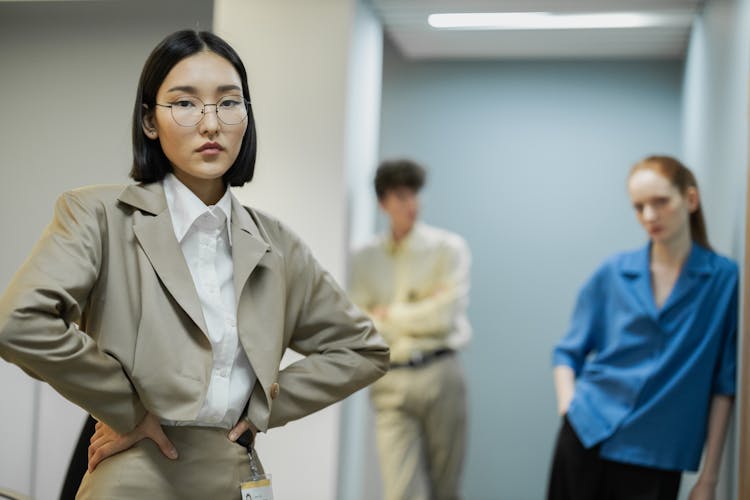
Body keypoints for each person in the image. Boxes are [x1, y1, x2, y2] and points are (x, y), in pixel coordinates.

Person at [0, 29, 389, 499]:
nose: (211, 124)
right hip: (137, 470)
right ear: (149, 121)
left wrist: (263, 406)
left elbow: (363, 350)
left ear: (246, 116)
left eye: (229, 103)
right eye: (184, 103)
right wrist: (124, 406)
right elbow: (19, 323)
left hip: (236, 472)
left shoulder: (277, 244)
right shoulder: (97, 216)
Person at [548, 155, 737, 500]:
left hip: (657, 452)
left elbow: (725, 383)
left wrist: (708, 478)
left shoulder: (725, 281)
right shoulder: (614, 272)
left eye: (660, 202)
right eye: (639, 207)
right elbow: (566, 353)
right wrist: (569, 409)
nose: (649, 216)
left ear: (690, 200)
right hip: (587, 432)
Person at [349, 159, 471, 500]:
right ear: (383, 202)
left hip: (441, 374)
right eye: (401, 196)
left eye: (415, 194)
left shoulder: (448, 248)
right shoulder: (364, 258)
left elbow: (443, 318)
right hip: (391, 379)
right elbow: (359, 324)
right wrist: (420, 307)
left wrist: (387, 314)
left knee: (445, 489)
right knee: (398, 492)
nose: (412, 204)